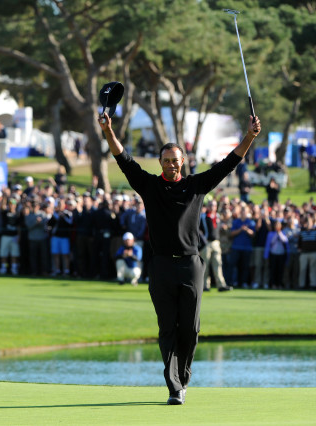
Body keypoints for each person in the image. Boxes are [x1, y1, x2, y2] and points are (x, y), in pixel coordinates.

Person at [99, 110, 261, 405]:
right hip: (161, 265)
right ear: (160, 163)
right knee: (167, 327)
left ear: (182, 162)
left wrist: (249, 136)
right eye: (167, 161)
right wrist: (109, 131)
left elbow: (228, 164)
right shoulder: (149, 185)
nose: (172, 165)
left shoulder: (195, 186)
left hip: (191, 265)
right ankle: (174, 387)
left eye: (176, 160)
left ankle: (183, 378)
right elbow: (123, 160)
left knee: (191, 327)